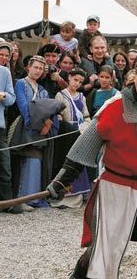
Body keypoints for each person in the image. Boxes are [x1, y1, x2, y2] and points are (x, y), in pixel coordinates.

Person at [46, 76, 137, 279]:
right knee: (105, 252)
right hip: (117, 188)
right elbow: (84, 149)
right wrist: (62, 180)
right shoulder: (114, 107)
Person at [11, 55, 60, 211]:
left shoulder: (44, 90)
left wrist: (46, 124)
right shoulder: (21, 83)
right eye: (36, 67)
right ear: (28, 68)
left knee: (39, 160)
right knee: (28, 158)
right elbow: (23, 105)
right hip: (26, 126)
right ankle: (23, 198)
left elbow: (48, 110)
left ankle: (35, 197)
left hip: (41, 129)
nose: (38, 71)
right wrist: (34, 124)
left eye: (41, 68)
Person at [52, 68, 91, 209]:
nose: (77, 84)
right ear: (69, 77)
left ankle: (77, 197)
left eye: (80, 82)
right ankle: (63, 197)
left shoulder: (82, 97)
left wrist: (85, 128)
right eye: (75, 80)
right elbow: (57, 115)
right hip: (66, 134)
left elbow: (86, 116)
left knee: (78, 164)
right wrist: (63, 124)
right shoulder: (60, 95)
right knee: (66, 164)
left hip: (79, 133)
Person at [0, 42, 22, 214]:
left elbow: (12, 99)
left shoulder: (5, 72)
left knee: (4, 163)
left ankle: (5, 203)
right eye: (1, 54)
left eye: (7, 55)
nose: (4, 57)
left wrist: (4, 96)